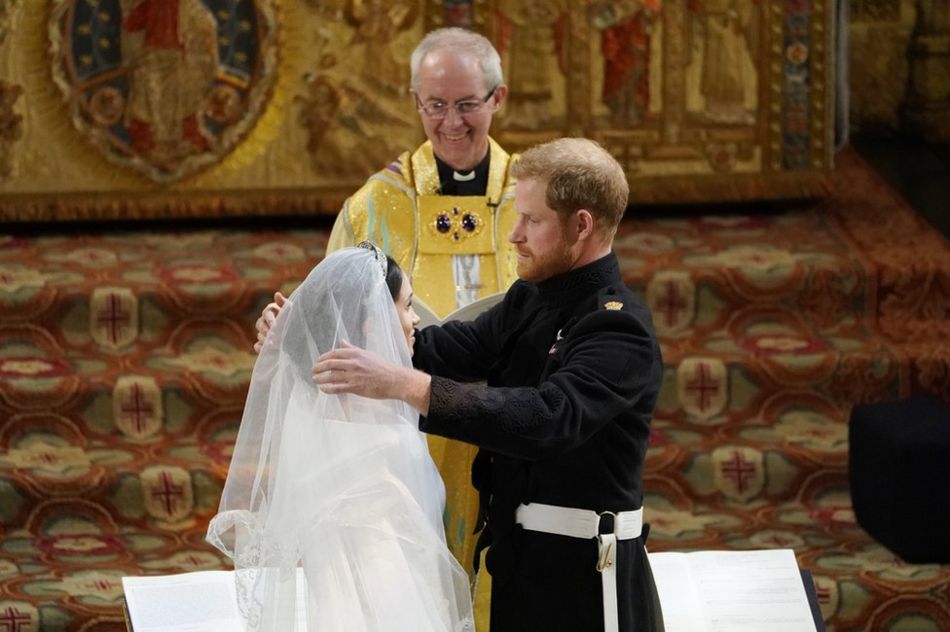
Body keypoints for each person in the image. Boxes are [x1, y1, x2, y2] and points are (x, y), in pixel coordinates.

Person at [313, 138, 665, 632]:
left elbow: (547, 419)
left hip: (584, 578)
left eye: (532, 221)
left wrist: (408, 386)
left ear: (582, 225)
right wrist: (304, 335)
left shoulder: (617, 328)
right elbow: (440, 350)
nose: (514, 235)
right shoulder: (530, 300)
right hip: (517, 564)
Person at [255, 27, 519, 585]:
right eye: (436, 105)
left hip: (512, 425)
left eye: (467, 104)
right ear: (415, 103)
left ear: (498, 98)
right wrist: (288, 334)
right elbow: (331, 324)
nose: (451, 122)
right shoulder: (374, 204)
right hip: (402, 437)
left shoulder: (535, 197)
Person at [209, 243, 474, 632]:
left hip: (343, 584)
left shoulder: (315, 396)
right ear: (374, 320)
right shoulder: (376, 415)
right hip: (383, 582)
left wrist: (294, 331)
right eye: (407, 306)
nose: (415, 319)